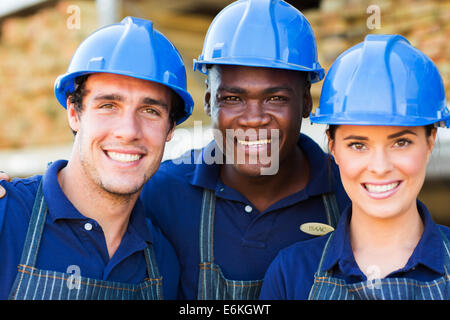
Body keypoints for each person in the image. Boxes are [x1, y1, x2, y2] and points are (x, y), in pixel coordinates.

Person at [140, 0, 350, 299]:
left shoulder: (350, 194)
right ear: (209, 101)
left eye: (275, 98)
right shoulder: (162, 195)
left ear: (306, 102)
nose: (254, 119)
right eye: (233, 99)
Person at [0, 16, 194, 300]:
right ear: (74, 113)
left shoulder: (163, 261)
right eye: (108, 105)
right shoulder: (6, 218)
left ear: (170, 129)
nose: (128, 131)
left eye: (150, 111)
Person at [259, 34, 450, 300]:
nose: (380, 167)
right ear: (333, 147)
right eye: (358, 145)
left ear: (430, 142)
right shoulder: (291, 274)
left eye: (401, 142)